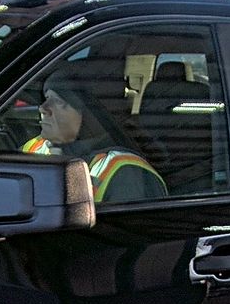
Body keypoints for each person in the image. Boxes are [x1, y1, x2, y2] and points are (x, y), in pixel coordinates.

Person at [20, 64, 167, 204]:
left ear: (88, 115)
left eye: (59, 102)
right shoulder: (34, 147)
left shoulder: (124, 170)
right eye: (46, 99)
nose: (43, 108)